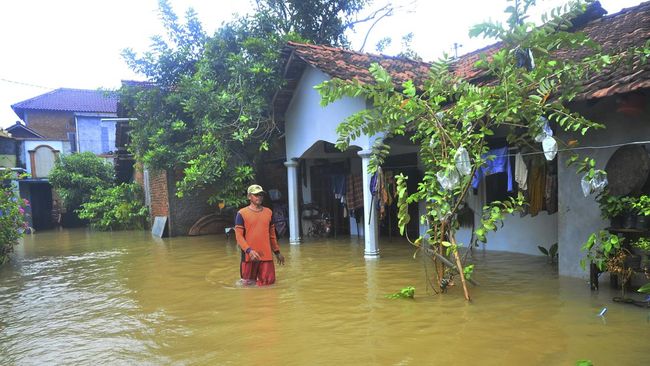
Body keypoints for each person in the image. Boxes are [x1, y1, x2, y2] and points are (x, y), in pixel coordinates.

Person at [235, 184, 285, 286]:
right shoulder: (241, 213)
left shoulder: (268, 212)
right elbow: (239, 236)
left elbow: (272, 236)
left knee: (269, 285)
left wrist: (277, 252)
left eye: (261, 194)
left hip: (266, 257)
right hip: (249, 257)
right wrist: (249, 251)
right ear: (249, 196)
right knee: (247, 285)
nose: (259, 197)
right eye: (256, 195)